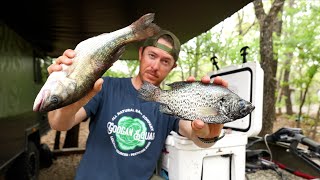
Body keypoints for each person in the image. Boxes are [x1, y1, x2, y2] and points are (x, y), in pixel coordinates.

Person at [47, 30, 228, 180]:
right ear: (141, 53)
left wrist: (209, 133)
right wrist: (62, 88)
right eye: (152, 55)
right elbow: (59, 123)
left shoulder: (169, 102)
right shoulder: (105, 86)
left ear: (173, 67)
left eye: (165, 61)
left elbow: (196, 134)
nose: (155, 66)